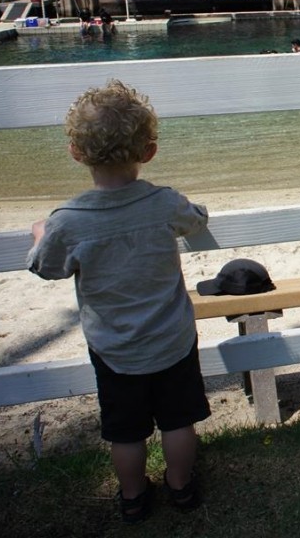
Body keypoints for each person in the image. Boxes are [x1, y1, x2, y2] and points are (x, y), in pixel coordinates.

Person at [27, 80, 210, 523]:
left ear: (75, 152)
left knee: (125, 432)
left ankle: (132, 496)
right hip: (172, 339)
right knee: (177, 421)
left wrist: (39, 231)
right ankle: (181, 487)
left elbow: (46, 266)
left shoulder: (68, 222)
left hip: (114, 349)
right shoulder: (162, 202)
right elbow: (196, 218)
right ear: (148, 152)